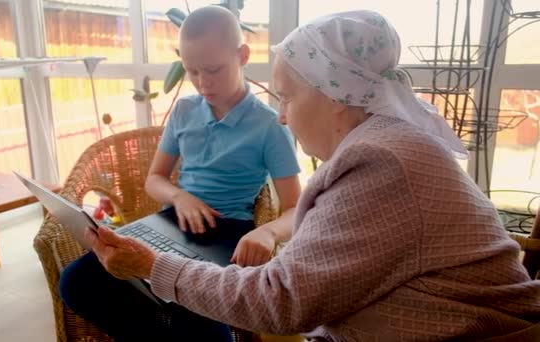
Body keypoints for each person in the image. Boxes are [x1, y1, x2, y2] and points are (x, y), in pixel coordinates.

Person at [82, 10, 540, 341]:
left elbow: (281, 301)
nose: (281, 116)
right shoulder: (386, 144)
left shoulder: (379, 162)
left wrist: (152, 265)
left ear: (336, 94)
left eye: (287, 98)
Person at [59, 5, 301, 342]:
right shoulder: (185, 110)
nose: (203, 83)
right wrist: (180, 197)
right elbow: (155, 179)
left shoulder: (269, 126)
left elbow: (295, 208)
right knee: (76, 282)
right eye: (192, 71)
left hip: (226, 232)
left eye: (214, 69)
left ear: (242, 55)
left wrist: (269, 234)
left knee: (202, 323)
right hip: (172, 220)